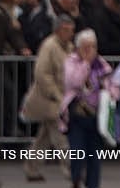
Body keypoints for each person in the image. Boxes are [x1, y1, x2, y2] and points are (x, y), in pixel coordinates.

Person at [21, 14, 75, 180]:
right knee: (61, 137)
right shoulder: (49, 46)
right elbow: (42, 73)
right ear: (58, 30)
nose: (70, 33)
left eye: (71, 30)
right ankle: (72, 170)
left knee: (44, 137)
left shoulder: (69, 47)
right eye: (66, 30)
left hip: (60, 97)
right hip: (49, 98)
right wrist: (56, 94)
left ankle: (31, 168)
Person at [61, 30, 113, 188]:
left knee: (94, 156)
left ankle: (93, 185)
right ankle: (76, 180)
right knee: (77, 154)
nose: (90, 50)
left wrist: (111, 93)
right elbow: (74, 82)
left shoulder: (101, 64)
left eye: (93, 46)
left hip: (96, 116)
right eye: (86, 47)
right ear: (78, 48)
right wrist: (86, 64)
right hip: (77, 115)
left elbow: (111, 85)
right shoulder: (71, 62)